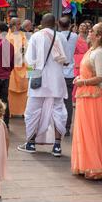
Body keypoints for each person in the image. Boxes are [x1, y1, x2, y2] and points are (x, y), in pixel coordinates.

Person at [18, 14, 67, 156]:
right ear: (55, 23)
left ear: (41, 23)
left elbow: (29, 60)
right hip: (57, 80)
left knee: (32, 112)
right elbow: (67, 60)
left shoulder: (36, 36)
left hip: (38, 79)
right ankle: (57, 146)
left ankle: (31, 143)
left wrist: (31, 80)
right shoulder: (61, 37)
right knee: (58, 111)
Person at [71, 23, 102, 180]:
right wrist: (80, 78)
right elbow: (87, 72)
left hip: (93, 97)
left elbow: (100, 77)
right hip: (84, 95)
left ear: (99, 36)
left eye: (92, 31)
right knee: (83, 130)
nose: (89, 32)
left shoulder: (100, 52)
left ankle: (96, 166)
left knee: (92, 131)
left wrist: (83, 82)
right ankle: (84, 164)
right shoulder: (92, 50)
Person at [58, 17, 78, 137]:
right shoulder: (75, 36)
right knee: (68, 101)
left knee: (57, 101)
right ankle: (67, 127)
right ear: (70, 24)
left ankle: (58, 125)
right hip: (70, 72)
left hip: (58, 72)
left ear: (59, 25)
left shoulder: (57, 36)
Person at [7, 18, 28, 118]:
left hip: (22, 64)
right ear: (13, 25)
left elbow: (27, 48)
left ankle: (23, 111)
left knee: (24, 90)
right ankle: (10, 111)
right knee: (10, 91)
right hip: (11, 66)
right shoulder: (8, 35)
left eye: (20, 24)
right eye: (18, 24)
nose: (20, 26)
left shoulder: (22, 35)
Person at [72, 23, 89, 101]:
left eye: (84, 26)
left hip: (86, 59)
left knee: (84, 77)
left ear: (86, 28)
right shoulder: (74, 37)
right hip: (77, 59)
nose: (82, 27)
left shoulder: (88, 38)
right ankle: (74, 97)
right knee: (76, 78)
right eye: (81, 25)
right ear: (78, 28)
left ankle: (81, 95)